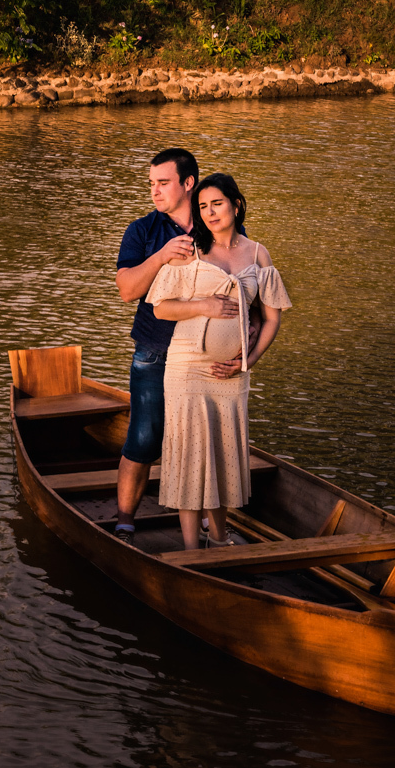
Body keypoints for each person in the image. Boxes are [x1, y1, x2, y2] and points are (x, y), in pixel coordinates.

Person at [114, 150, 258, 545]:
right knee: (145, 438)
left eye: (163, 182)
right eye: (151, 183)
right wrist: (162, 256)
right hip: (157, 352)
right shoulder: (143, 231)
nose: (154, 191)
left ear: (188, 183)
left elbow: (248, 284)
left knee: (209, 439)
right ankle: (125, 521)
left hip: (211, 360)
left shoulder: (215, 220)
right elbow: (128, 290)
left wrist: (251, 333)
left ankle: (213, 523)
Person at [146, 173, 291, 549]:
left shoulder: (259, 254)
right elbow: (161, 307)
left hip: (232, 374)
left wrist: (248, 362)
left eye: (218, 204)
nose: (209, 213)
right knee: (191, 454)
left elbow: (272, 317)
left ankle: (222, 537)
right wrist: (204, 305)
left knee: (226, 451)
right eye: (203, 206)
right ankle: (194, 547)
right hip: (186, 367)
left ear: (236, 205)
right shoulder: (190, 250)